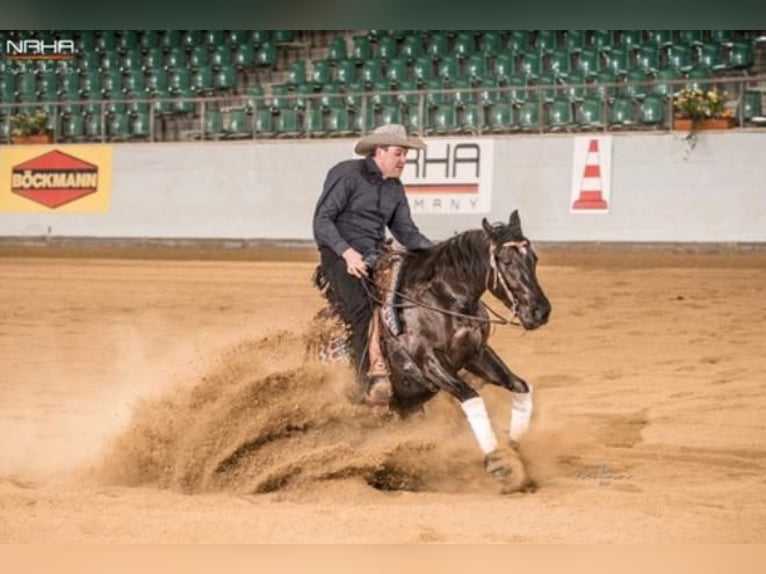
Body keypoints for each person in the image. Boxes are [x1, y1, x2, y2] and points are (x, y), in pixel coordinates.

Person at [313, 124, 433, 406]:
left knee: (412, 296)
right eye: (399, 154)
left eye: (405, 154)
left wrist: (439, 253)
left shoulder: (394, 188)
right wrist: (347, 253)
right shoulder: (347, 174)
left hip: (375, 255)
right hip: (339, 257)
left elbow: (407, 233)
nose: (403, 160)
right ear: (379, 151)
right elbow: (323, 220)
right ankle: (362, 380)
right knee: (362, 309)